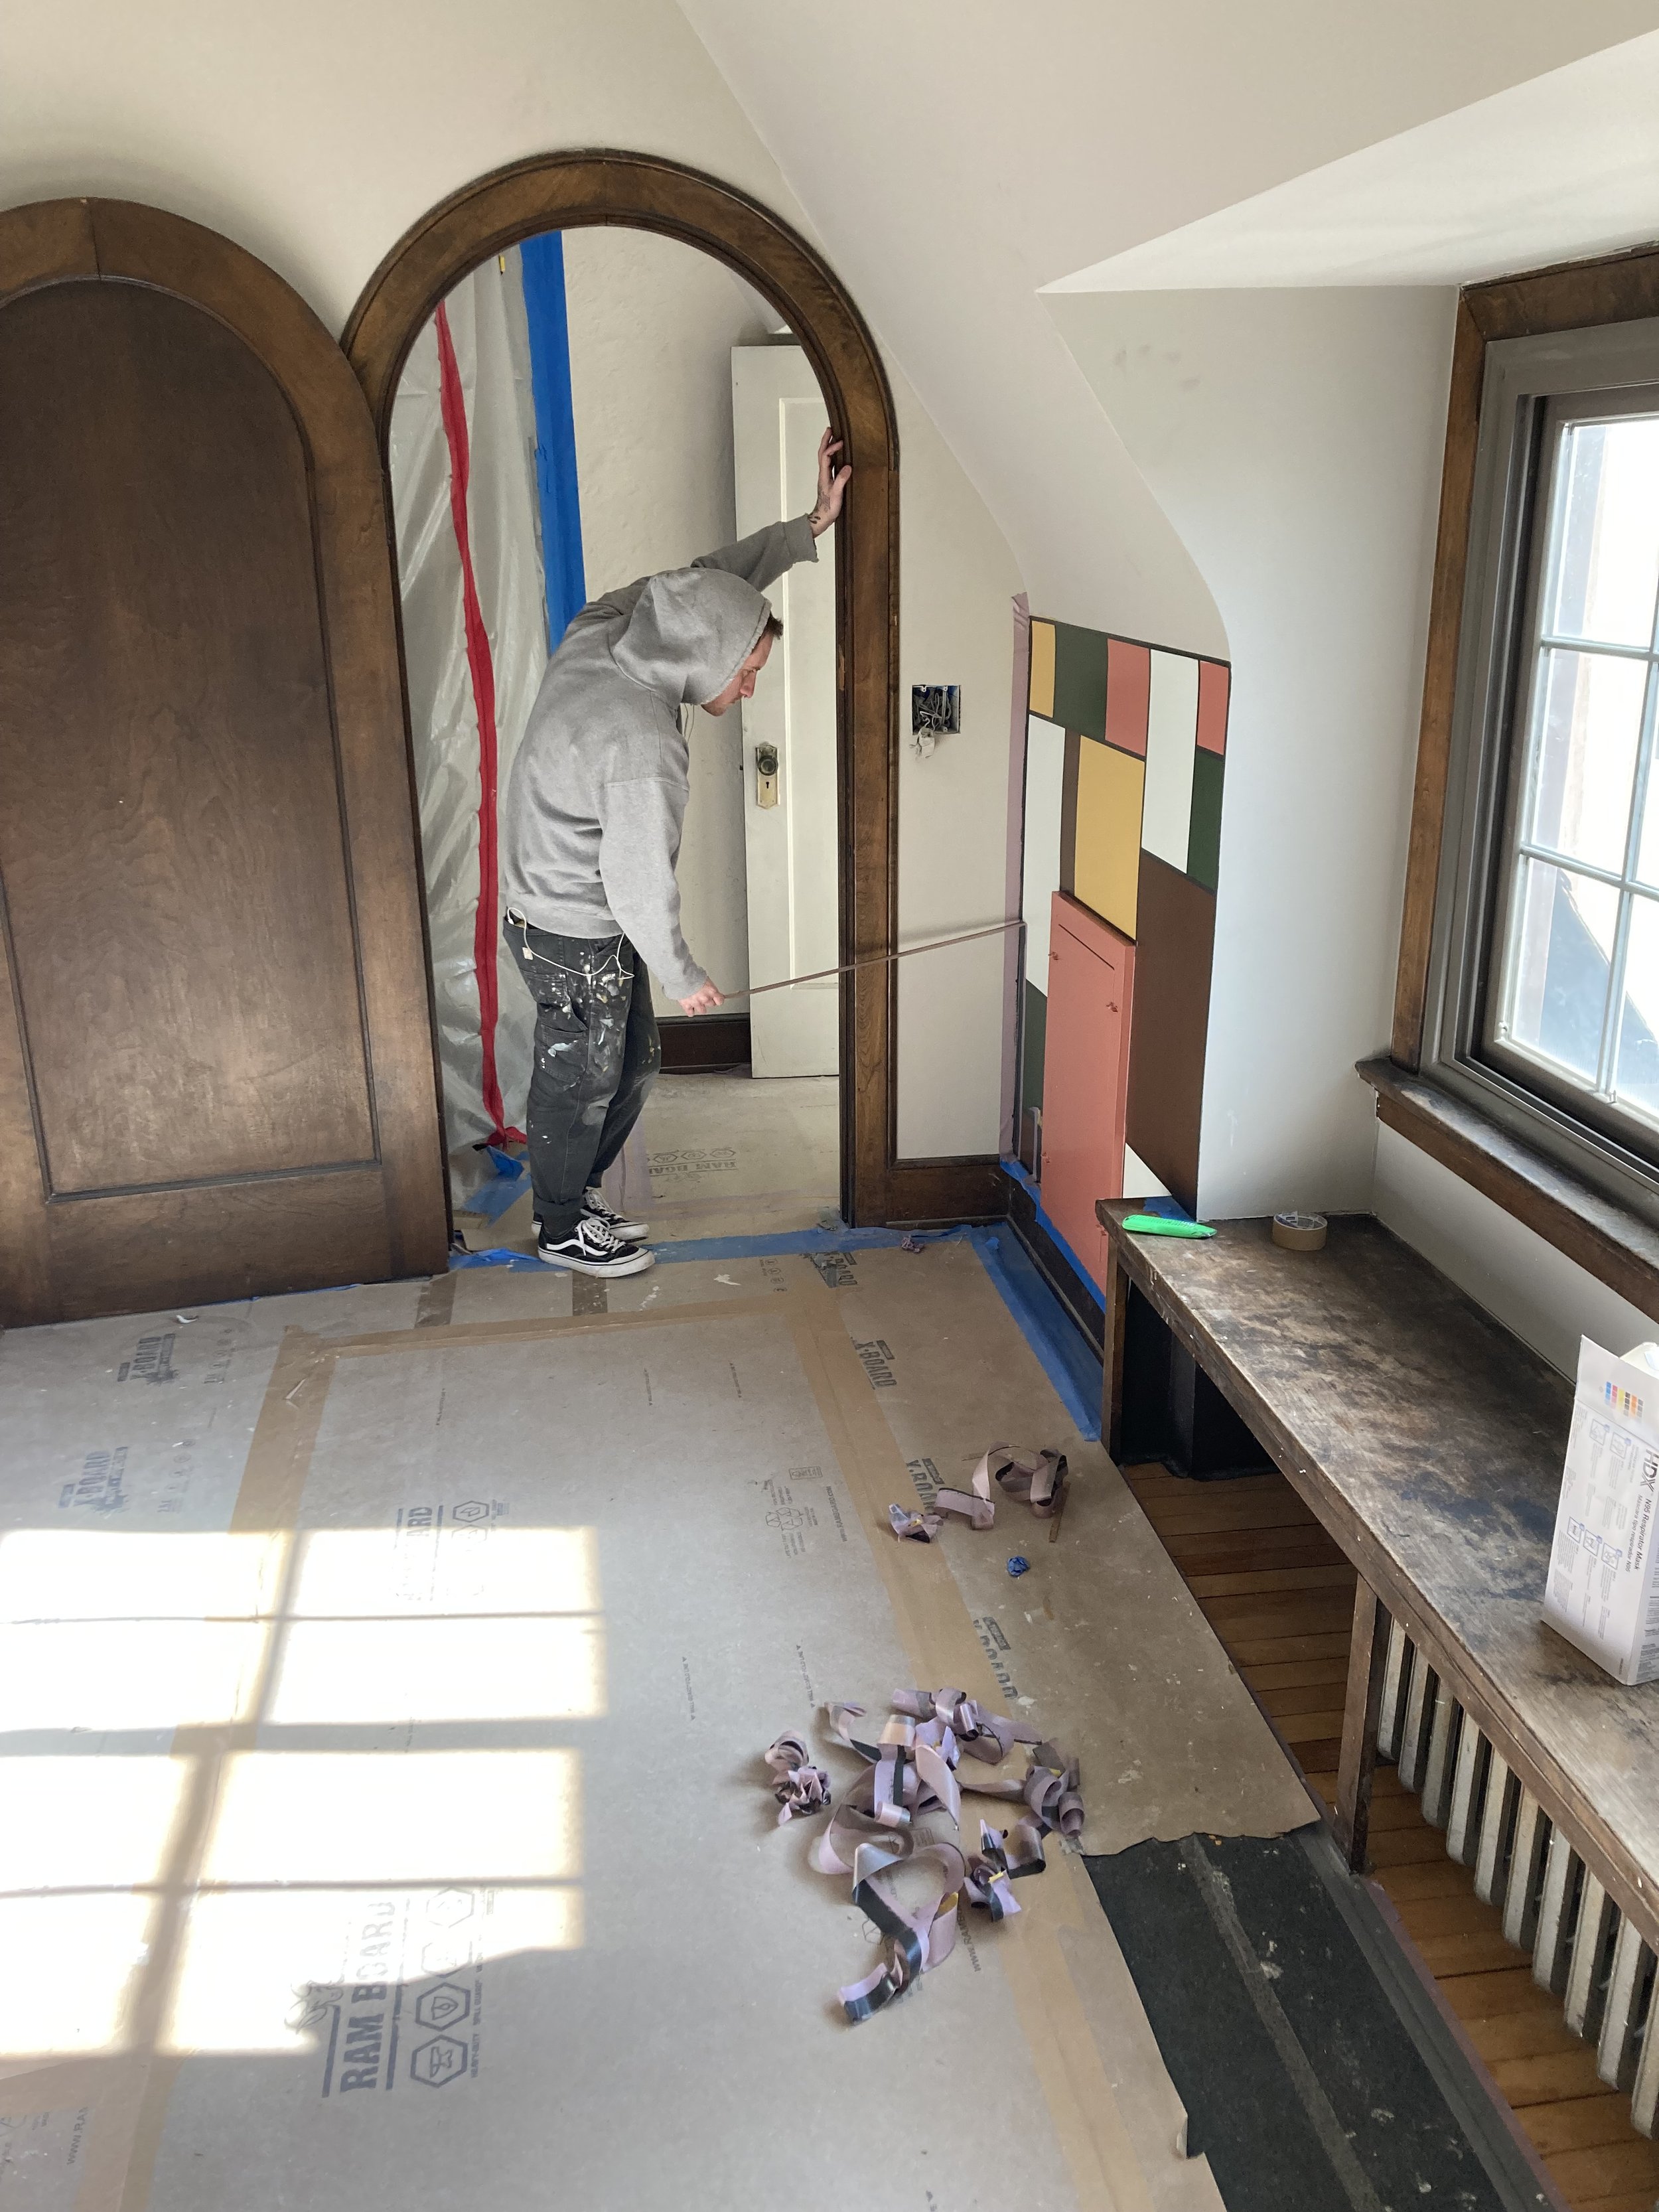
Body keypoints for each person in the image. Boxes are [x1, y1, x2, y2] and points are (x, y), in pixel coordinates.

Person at [500, 427, 851, 1278]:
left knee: (635, 1062)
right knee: (583, 1075)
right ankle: (558, 1227)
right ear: (703, 659)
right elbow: (634, 880)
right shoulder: (641, 740)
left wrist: (809, 528)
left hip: (567, 898)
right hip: (568, 919)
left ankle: (574, 1195)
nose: (746, 689)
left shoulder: (614, 625)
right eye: (746, 673)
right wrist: (685, 970)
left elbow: (705, 583)